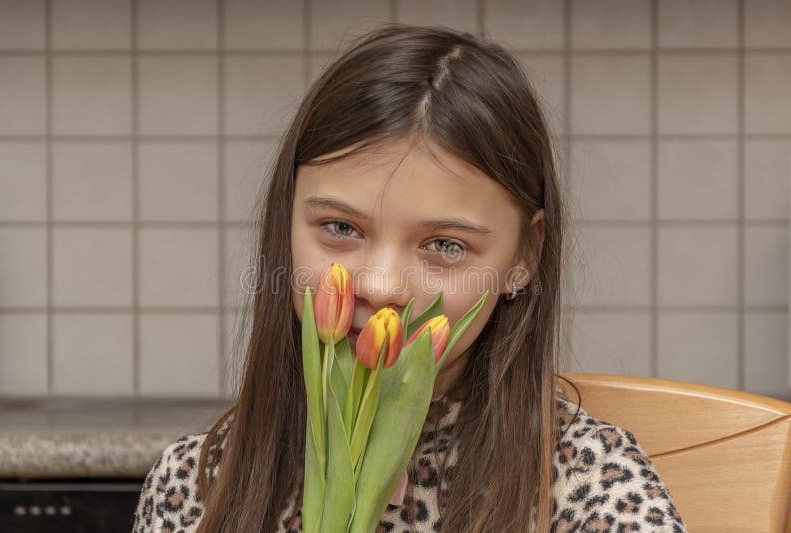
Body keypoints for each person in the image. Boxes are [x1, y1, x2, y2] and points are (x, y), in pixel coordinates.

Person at [131, 23, 686, 533]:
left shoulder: (590, 491)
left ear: (525, 255)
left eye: (445, 245)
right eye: (341, 227)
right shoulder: (197, 488)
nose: (381, 285)